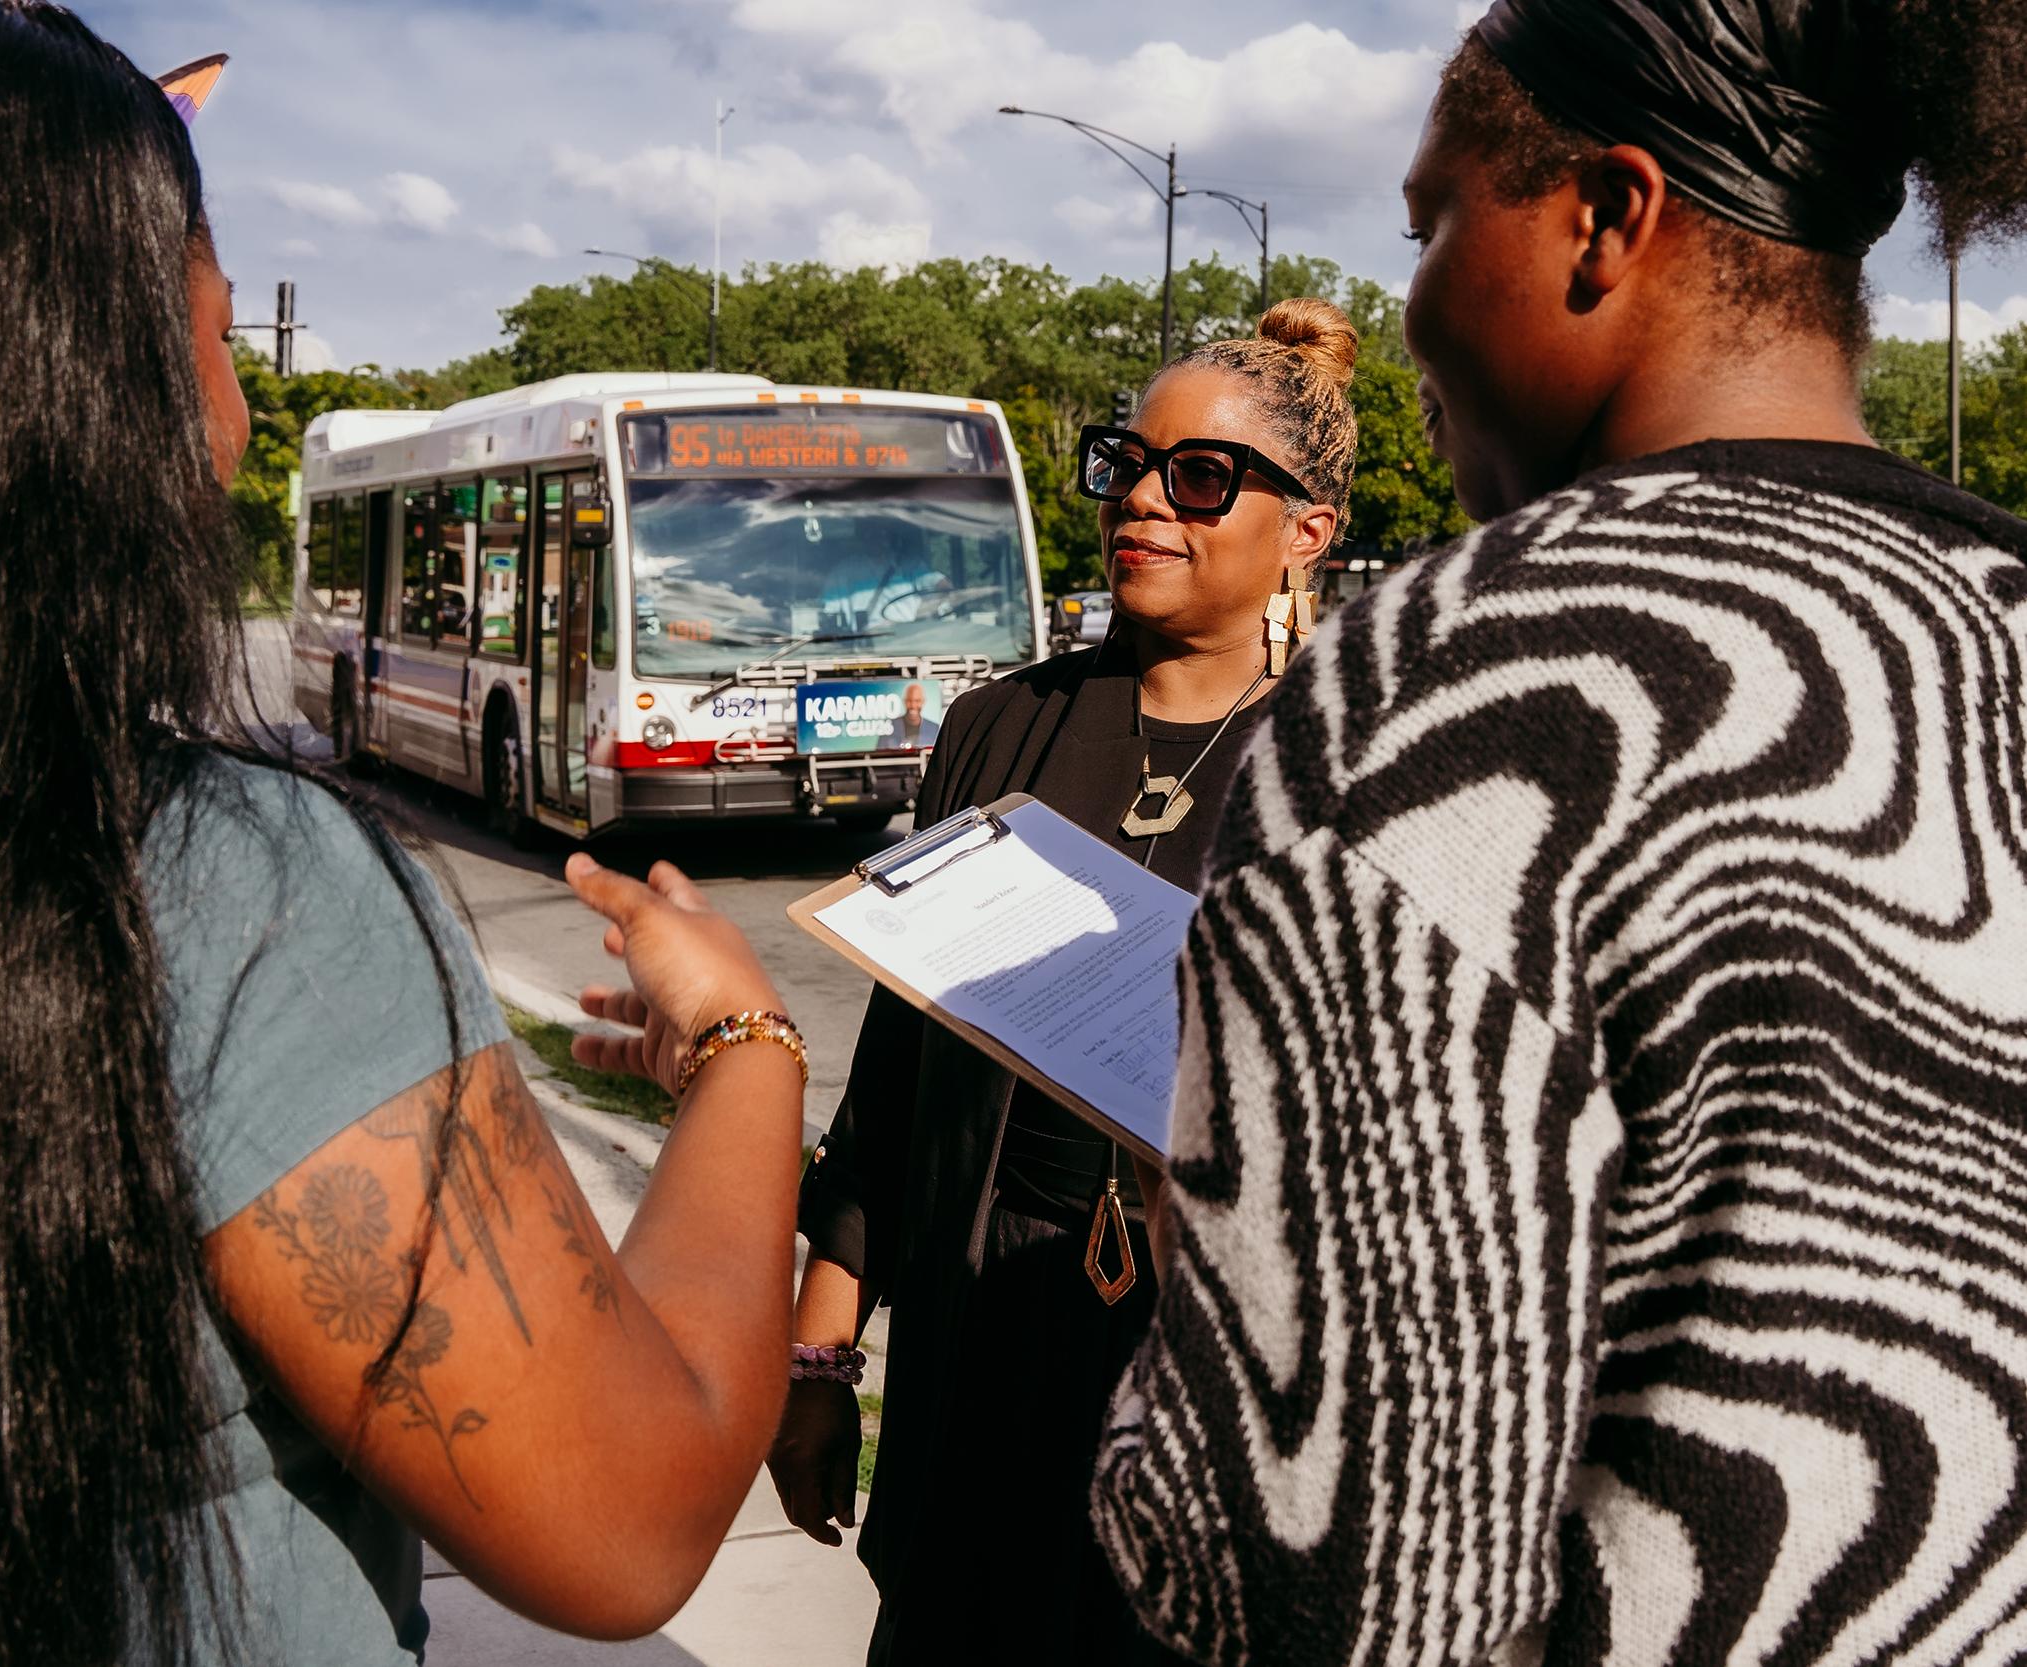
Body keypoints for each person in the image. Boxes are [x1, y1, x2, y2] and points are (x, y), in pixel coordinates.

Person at [1091, 1, 2027, 1662]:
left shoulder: (1466, 674)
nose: (1412, 299)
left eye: (1436, 220)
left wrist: (1216, 1270)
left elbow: (1324, 1570)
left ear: (1604, 219)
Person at [0, 6, 802, 1663]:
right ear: (69, 388)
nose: (231, 427)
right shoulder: (229, 890)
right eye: (211, 338)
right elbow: (628, 1514)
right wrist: (746, 1051)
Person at [770, 300, 1363, 1663]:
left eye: (1201, 475)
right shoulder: (1002, 729)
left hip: (1209, 1377)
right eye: (1127, 459)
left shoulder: (1351, 762)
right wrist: (818, 1365)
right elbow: (898, 1084)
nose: (1144, 497)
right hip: (987, 1337)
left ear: (1308, 527)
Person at [875, 682, 940, 751]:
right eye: (909, 700)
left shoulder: (935, 729)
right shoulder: (888, 726)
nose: (913, 705)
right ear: (904, 701)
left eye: (917, 701)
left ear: (923, 702)